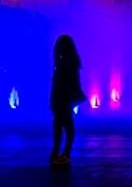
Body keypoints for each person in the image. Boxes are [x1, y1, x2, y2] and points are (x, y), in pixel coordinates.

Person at [49, 35, 85, 166]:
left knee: (61, 125)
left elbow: (63, 84)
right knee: (64, 126)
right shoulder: (68, 63)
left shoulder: (66, 64)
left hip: (61, 99)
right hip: (62, 99)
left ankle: (61, 153)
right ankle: (63, 153)